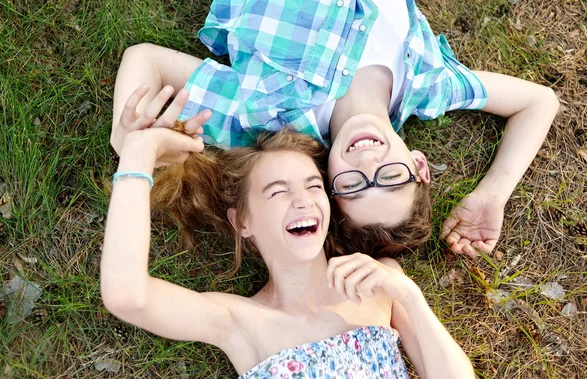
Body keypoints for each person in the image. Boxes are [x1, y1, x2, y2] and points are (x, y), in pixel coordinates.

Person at [110, 0, 559, 258]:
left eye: (353, 184)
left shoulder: (266, 110)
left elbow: (144, 58)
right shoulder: (431, 86)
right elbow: (539, 101)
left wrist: (126, 139)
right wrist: (491, 194)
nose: (368, 162)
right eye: (390, 177)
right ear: (418, 165)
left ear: (327, 181)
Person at [101, 90, 475, 378]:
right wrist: (138, 153)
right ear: (242, 222)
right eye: (277, 191)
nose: (302, 201)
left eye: (314, 186)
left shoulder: (382, 287)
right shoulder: (239, 321)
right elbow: (127, 296)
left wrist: (410, 297)